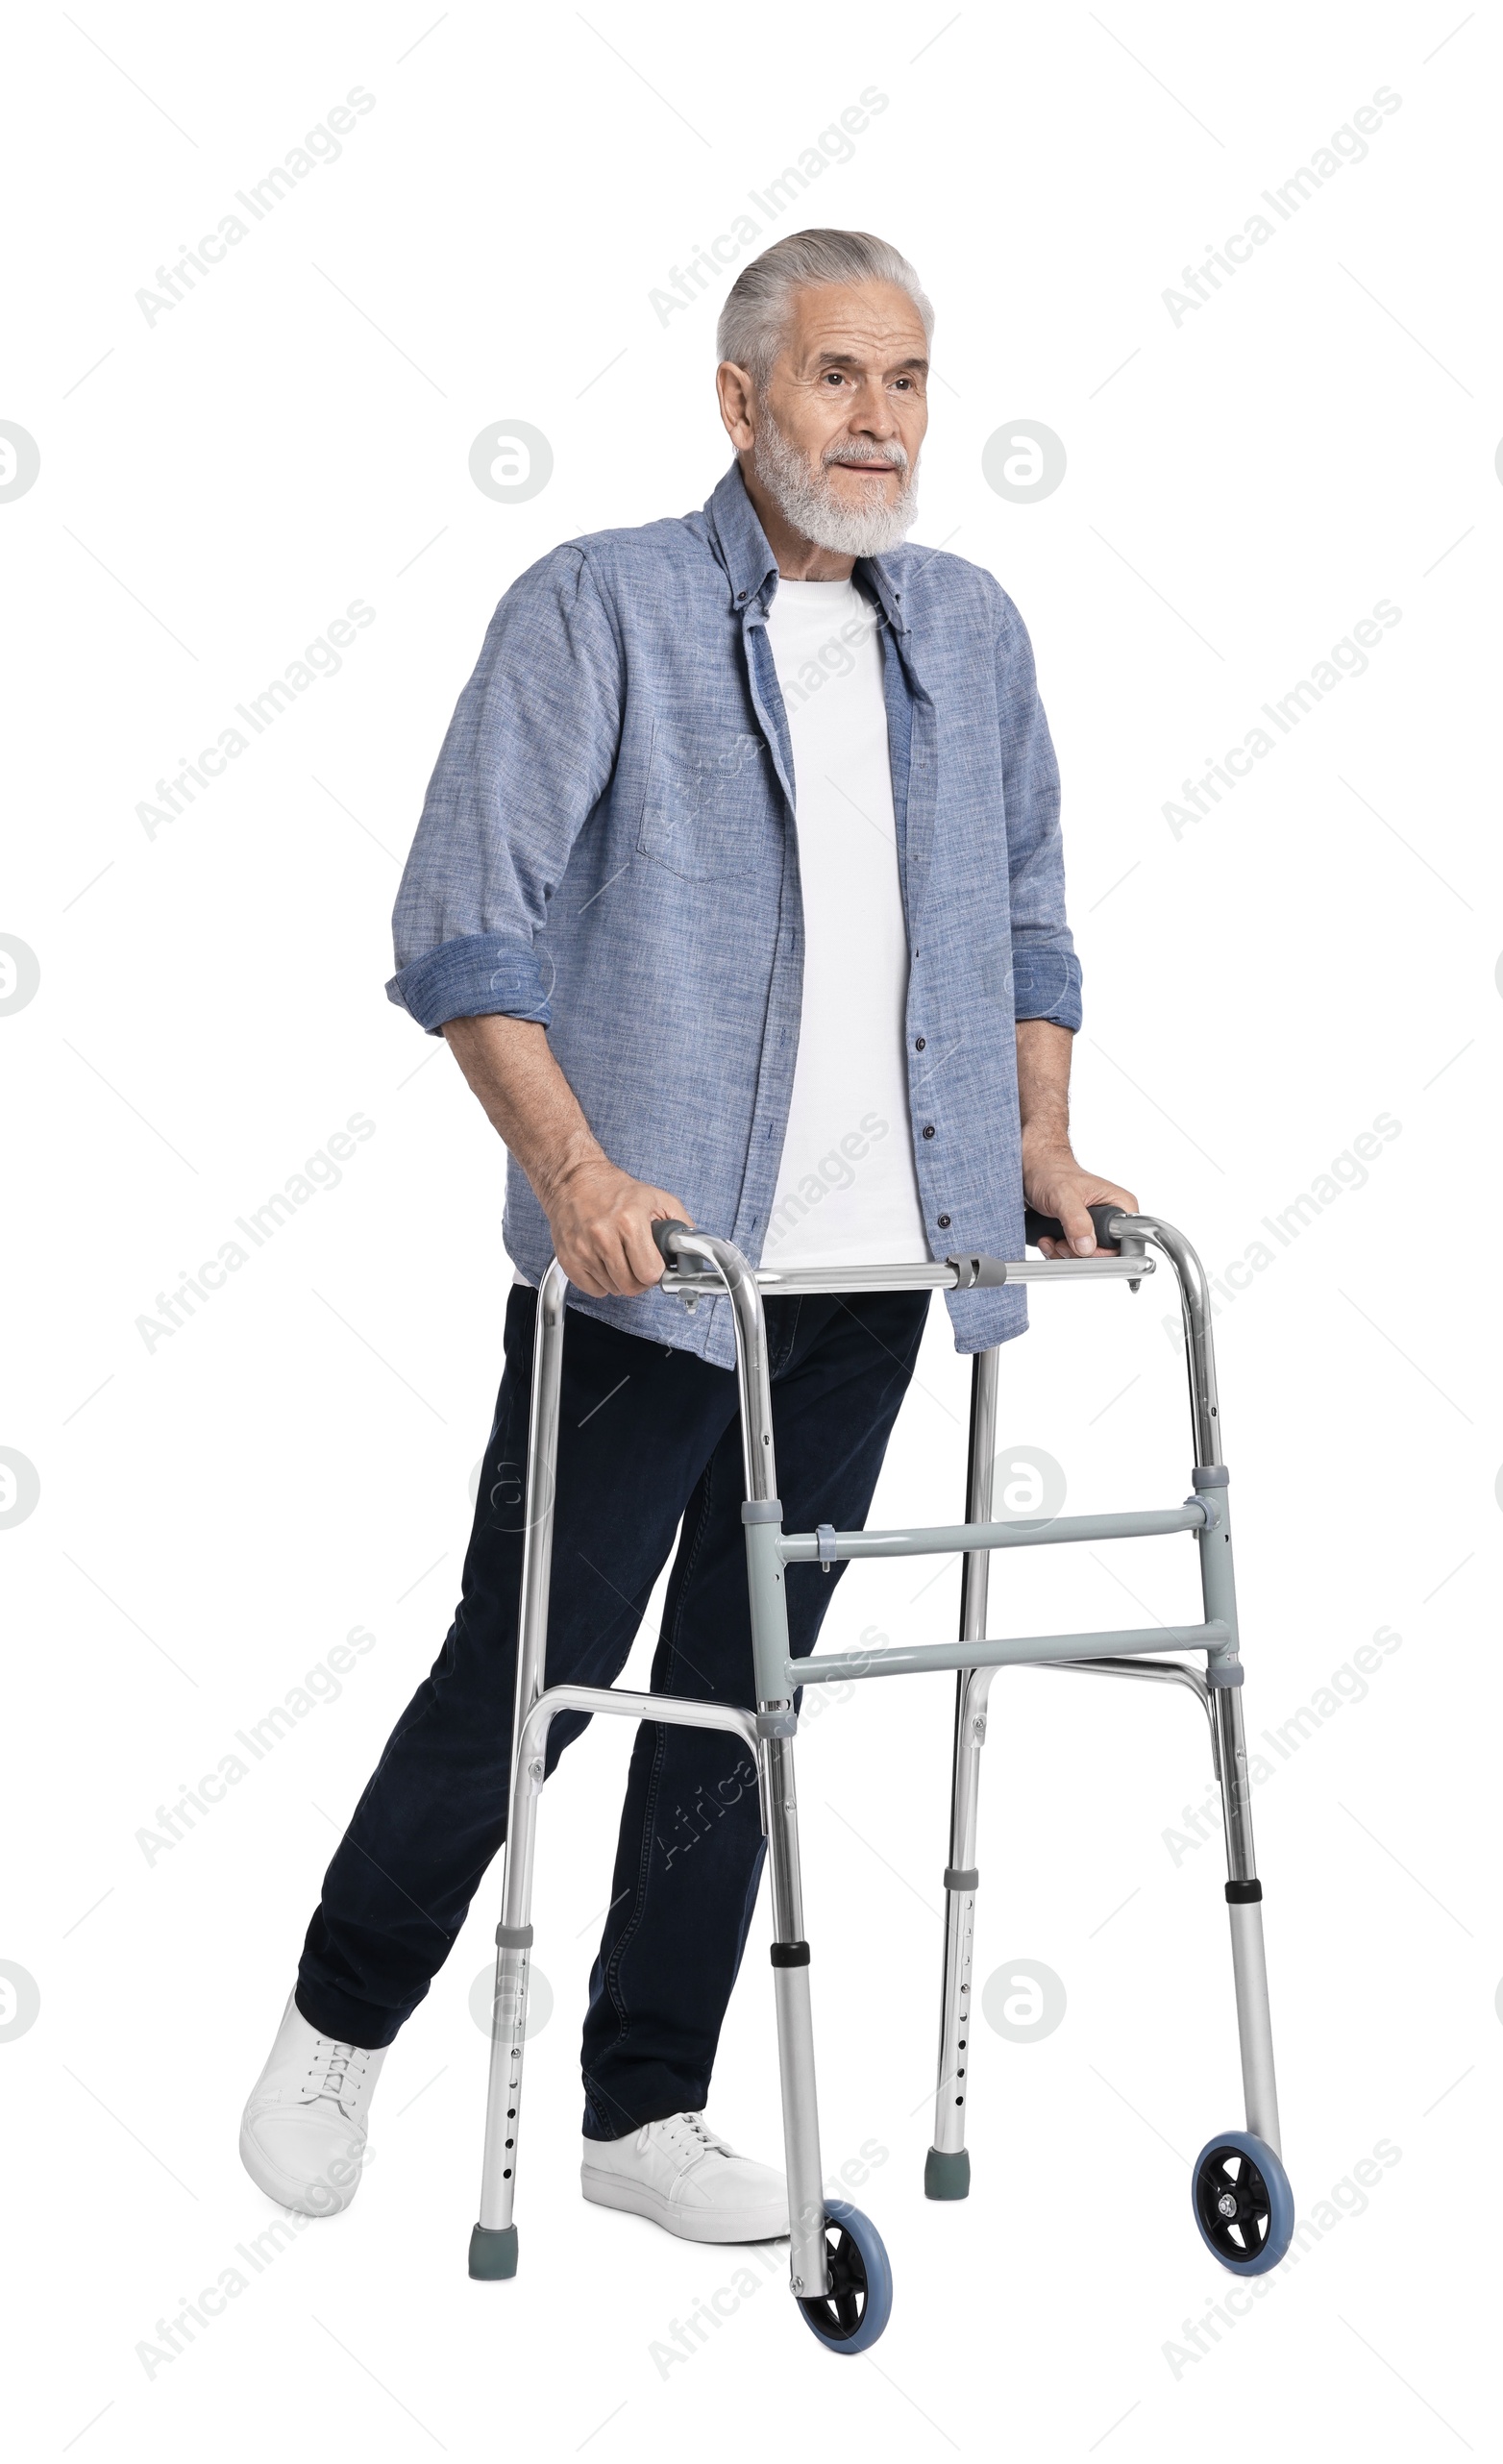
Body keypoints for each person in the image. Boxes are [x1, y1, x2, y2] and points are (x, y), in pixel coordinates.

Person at [239, 227, 1136, 2241]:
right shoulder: (601, 610)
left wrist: (1037, 1145)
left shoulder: (970, 630)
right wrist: (576, 1180)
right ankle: (338, 2016)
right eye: (836, 378)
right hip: (650, 1280)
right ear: (738, 400)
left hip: (871, 1275)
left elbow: (1027, 909)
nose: (879, 422)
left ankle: (642, 2109)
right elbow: (463, 924)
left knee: (749, 1694)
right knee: (535, 1669)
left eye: (906, 381)